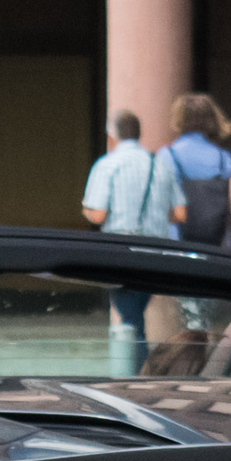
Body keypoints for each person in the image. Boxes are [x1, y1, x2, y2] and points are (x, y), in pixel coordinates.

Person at [80, 109, 185, 369]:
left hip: (120, 252)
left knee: (128, 316)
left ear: (112, 135)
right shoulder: (159, 164)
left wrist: (85, 209)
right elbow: (179, 213)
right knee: (134, 311)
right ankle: (141, 366)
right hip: (155, 252)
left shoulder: (107, 165)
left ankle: (138, 370)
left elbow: (98, 214)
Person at [166, 94, 231, 255]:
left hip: (177, 245)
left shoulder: (169, 154)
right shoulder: (223, 157)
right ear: (212, 119)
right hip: (217, 246)